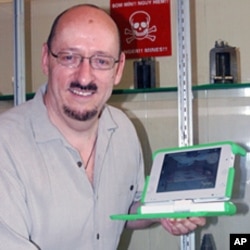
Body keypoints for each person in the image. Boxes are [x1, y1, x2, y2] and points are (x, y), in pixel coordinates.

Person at [0, 4, 205, 250]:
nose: (85, 77)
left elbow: (124, 208)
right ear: (46, 59)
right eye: (69, 57)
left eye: (101, 60)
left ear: (118, 69)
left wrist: (165, 210)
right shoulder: (7, 145)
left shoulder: (123, 129)